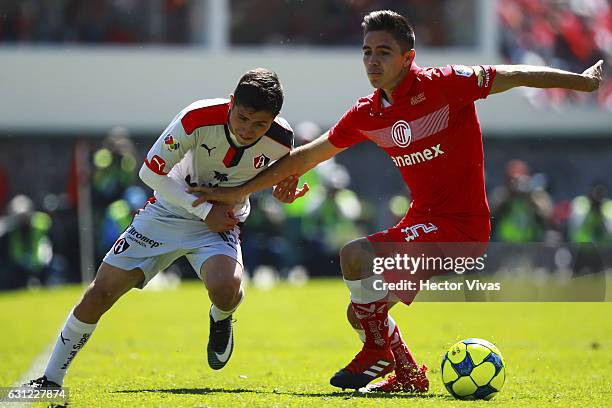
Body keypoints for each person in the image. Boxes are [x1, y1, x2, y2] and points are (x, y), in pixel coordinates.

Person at [187, 10, 604, 393]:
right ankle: (407, 376)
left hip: (462, 228)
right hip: (422, 221)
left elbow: (514, 74)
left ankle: (382, 356)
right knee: (362, 313)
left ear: (408, 57)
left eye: (383, 52)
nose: (372, 61)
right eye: (367, 52)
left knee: (356, 257)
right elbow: (307, 156)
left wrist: (581, 82)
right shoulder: (368, 113)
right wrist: (236, 191)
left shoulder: (445, 84)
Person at [25, 68, 299, 389]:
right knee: (100, 293)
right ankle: (51, 379)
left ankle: (221, 319)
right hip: (167, 213)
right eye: (242, 117)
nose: (248, 129)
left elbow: (275, 178)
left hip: (221, 219)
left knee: (226, 289)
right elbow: (150, 174)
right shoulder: (196, 118)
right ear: (230, 103)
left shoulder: (282, 140)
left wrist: (282, 192)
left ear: (274, 120)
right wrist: (202, 208)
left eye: (260, 124)